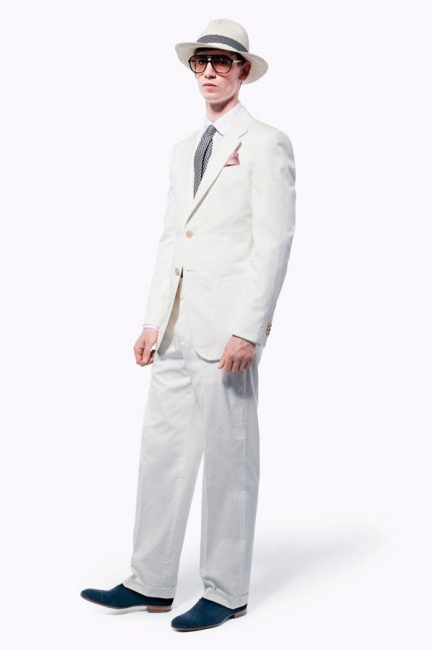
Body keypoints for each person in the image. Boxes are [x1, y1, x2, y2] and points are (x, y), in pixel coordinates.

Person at [81, 18, 296, 632]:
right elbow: (174, 238)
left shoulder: (267, 143)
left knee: (230, 461)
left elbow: (273, 242)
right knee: (161, 456)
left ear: (243, 71)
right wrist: (152, 320)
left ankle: (227, 591)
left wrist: (249, 328)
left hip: (226, 331)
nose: (208, 72)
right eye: (201, 61)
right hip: (175, 329)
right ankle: (148, 581)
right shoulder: (183, 150)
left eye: (222, 62)